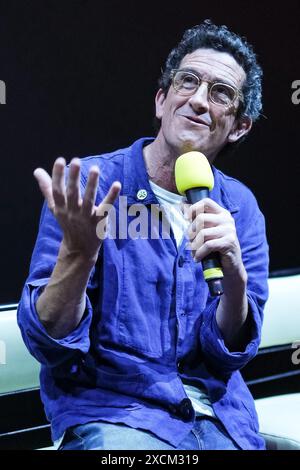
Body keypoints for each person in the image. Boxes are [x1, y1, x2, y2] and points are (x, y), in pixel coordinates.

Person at [17, 19, 269, 450]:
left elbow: (227, 351)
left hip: (220, 421)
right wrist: (78, 255)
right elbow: (50, 343)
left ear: (240, 126)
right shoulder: (91, 188)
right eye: (187, 82)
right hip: (119, 416)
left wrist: (235, 280)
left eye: (221, 93)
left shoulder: (240, 206)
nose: (199, 101)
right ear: (161, 100)